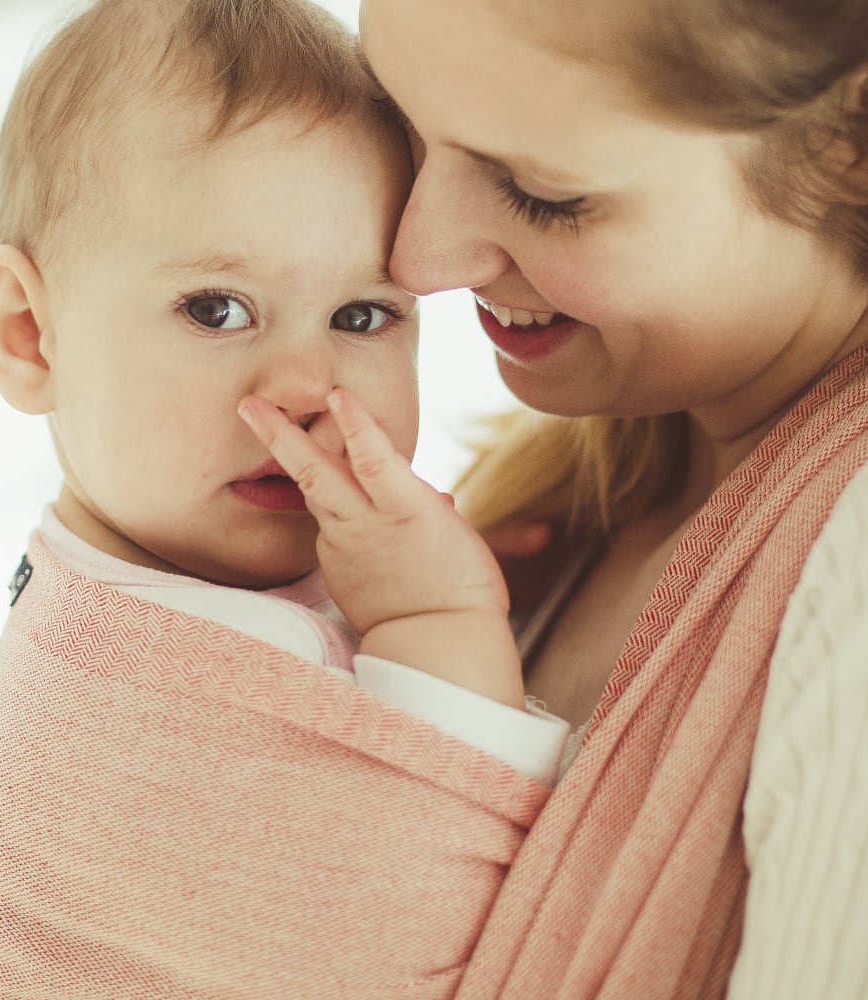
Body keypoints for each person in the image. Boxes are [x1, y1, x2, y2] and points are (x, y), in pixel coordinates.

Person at [237, 0, 868, 996]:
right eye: (402, 121)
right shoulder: (564, 507)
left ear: (849, 144)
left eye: (539, 193)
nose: (416, 260)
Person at [0, 0, 570, 996]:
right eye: (217, 309)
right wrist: (436, 620)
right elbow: (455, 944)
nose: (306, 387)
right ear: (30, 336)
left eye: (362, 315)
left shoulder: (158, 574)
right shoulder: (125, 695)